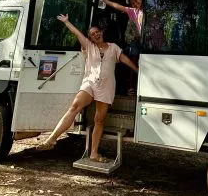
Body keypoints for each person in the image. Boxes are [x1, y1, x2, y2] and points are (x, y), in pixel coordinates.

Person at [35, 14, 138, 162]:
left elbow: (124, 59)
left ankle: (94, 154)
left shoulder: (114, 47)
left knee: (99, 120)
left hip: (106, 86)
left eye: (97, 32)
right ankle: (51, 139)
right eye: (92, 34)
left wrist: (136, 70)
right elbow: (77, 33)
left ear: (101, 32)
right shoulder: (89, 47)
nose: (96, 35)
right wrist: (66, 22)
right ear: (90, 38)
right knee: (74, 106)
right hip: (90, 82)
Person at [100, 0, 143, 95]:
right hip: (137, 42)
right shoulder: (133, 12)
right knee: (133, 62)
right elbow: (118, 6)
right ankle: (131, 87)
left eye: (136, 1)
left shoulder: (150, 10)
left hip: (150, 43)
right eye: (132, 3)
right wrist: (104, 0)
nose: (135, 4)